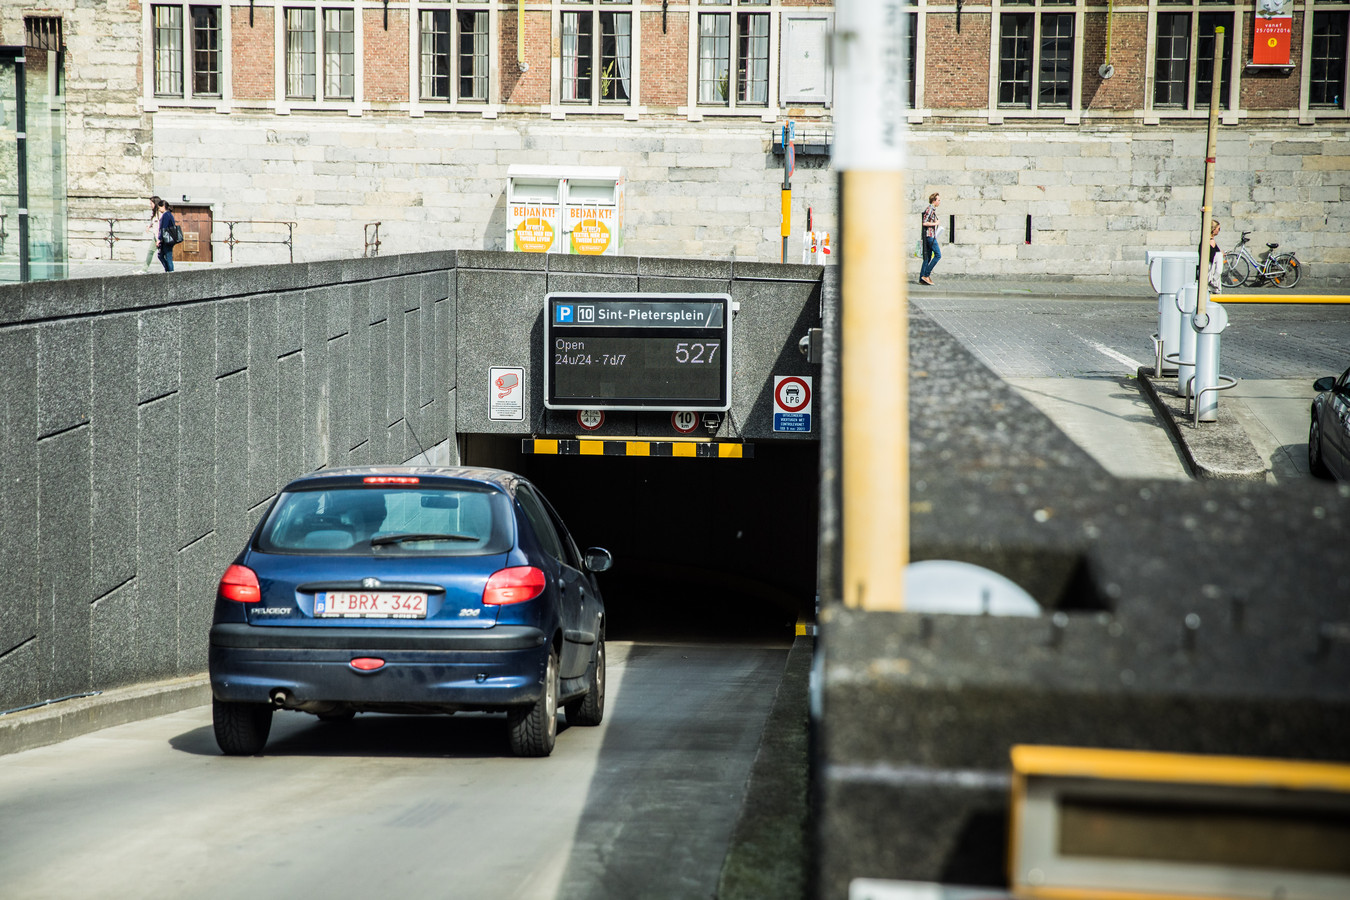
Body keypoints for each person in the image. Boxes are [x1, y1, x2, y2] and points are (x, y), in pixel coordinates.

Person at [919, 192, 942, 286]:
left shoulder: (932, 209)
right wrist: (935, 224)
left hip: (930, 235)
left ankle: (922, 278)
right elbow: (924, 222)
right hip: (930, 236)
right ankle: (926, 275)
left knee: (927, 257)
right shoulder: (930, 209)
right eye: (938, 200)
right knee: (938, 255)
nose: (940, 202)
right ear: (934, 201)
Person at [142, 196, 163, 273]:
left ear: (155, 203)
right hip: (155, 236)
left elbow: (159, 227)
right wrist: (149, 226)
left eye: (151, 203)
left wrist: (158, 239)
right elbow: (154, 222)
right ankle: (144, 269)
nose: (150, 205)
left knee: (163, 255)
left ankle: (169, 270)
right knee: (150, 252)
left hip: (159, 237)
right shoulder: (155, 213)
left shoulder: (160, 213)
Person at [156, 199, 177, 272]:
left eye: (159, 208)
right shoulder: (169, 214)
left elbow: (163, 228)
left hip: (167, 240)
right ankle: (168, 271)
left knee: (167, 256)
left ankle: (170, 272)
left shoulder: (166, 215)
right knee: (161, 255)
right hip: (169, 239)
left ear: (163, 207)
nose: (159, 210)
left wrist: (159, 239)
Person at [1207, 219, 1223, 294]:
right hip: (1212, 274)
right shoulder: (1211, 241)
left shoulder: (1207, 240)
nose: (1219, 231)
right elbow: (1219, 269)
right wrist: (1220, 254)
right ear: (1213, 229)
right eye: (1218, 229)